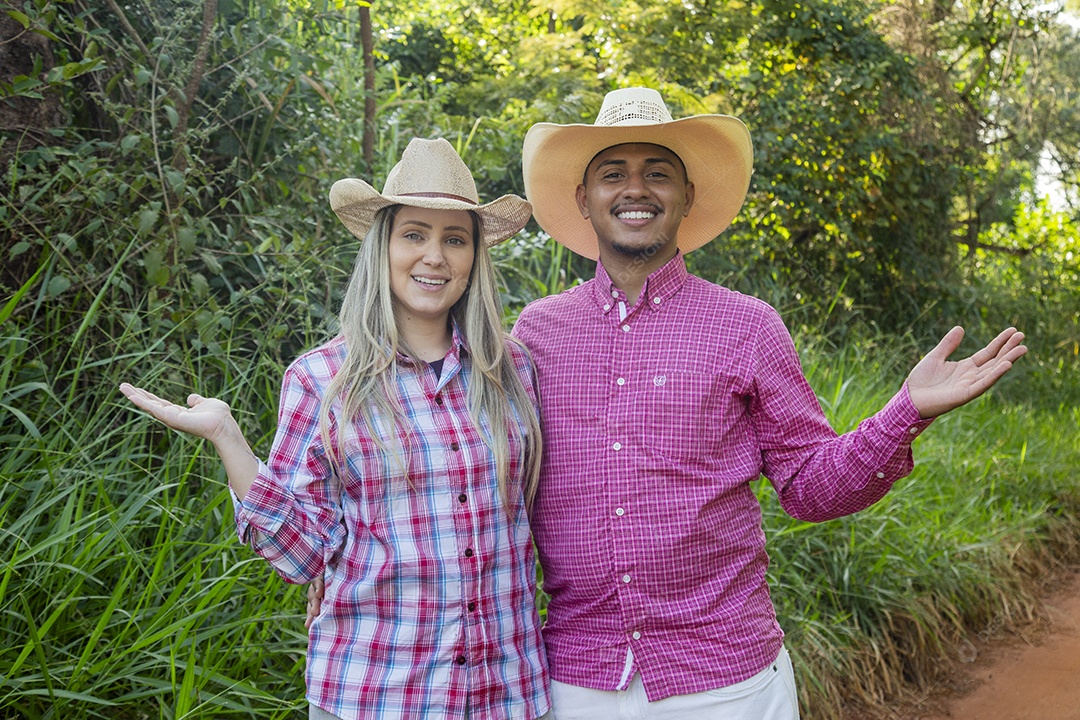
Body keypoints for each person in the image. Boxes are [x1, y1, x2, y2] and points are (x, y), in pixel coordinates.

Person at [508, 87, 1027, 719]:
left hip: (727, 681)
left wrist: (907, 412)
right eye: (613, 174)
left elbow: (810, 487)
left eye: (658, 174)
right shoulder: (537, 333)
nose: (635, 190)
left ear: (688, 196)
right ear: (584, 199)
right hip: (577, 679)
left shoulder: (746, 327)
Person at [120, 138, 551, 720]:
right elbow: (302, 555)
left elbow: (543, 517)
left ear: (475, 256)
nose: (435, 256)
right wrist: (228, 437)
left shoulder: (513, 370)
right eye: (414, 234)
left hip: (508, 692)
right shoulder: (323, 379)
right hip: (375, 691)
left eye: (455, 239)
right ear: (382, 248)